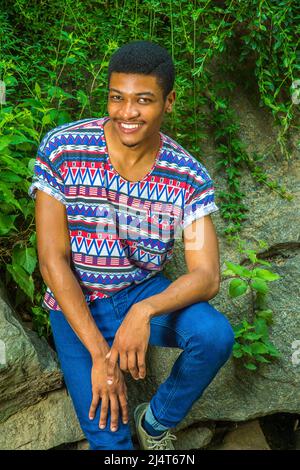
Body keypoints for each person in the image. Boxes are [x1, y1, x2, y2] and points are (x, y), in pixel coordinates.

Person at [28, 40, 235, 451]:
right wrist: (101, 357)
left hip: (141, 292)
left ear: (169, 101)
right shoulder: (64, 149)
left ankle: (156, 422)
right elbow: (53, 261)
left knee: (214, 335)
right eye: (116, 98)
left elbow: (206, 275)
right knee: (110, 442)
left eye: (143, 100)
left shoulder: (187, 177)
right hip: (76, 302)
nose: (126, 113)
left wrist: (145, 309)